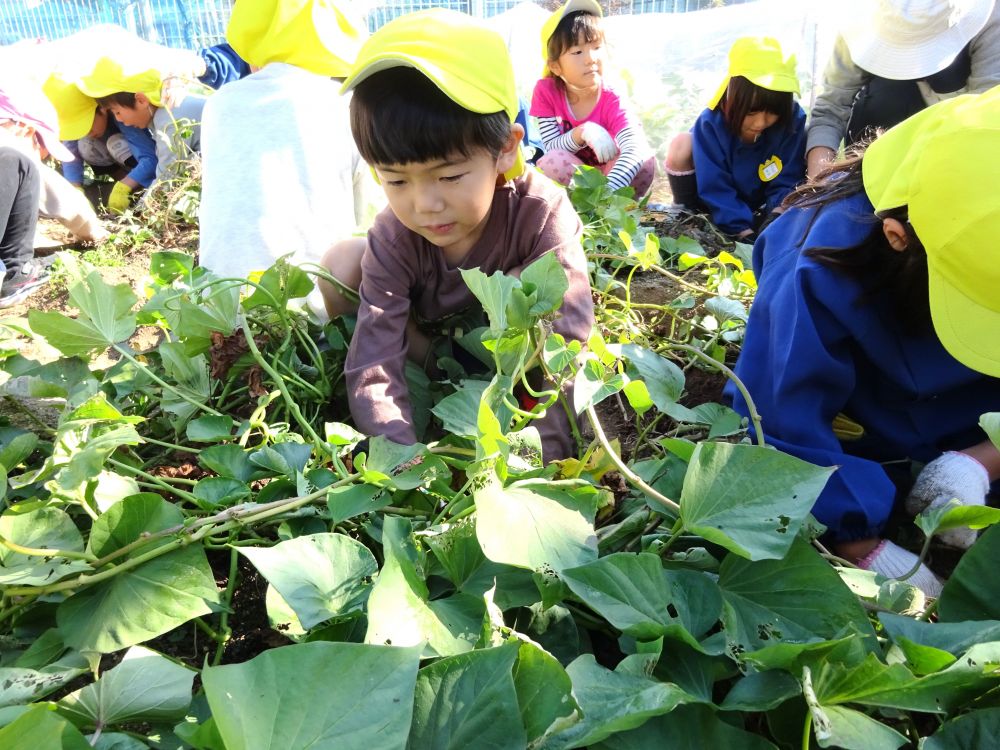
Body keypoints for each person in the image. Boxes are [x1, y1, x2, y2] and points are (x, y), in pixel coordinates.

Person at [726, 88, 1000, 597]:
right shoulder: (813, 259)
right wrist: (860, 544)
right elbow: (779, 420)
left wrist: (982, 460)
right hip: (869, 417)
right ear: (899, 237)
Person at [321, 9, 596, 462]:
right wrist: (398, 459)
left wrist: (543, 458)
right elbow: (376, 358)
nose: (424, 204)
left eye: (448, 176)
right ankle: (439, 397)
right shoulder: (394, 233)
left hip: (513, 365)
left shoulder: (540, 213)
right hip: (431, 353)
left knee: (545, 295)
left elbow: (566, 341)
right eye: (396, 180)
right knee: (341, 264)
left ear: (505, 147)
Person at [199, 0, 379, 318]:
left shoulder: (217, 104)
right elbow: (370, 221)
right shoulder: (344, 105)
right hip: (313, 324)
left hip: (221, 314)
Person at [806, 0, 1000, 178]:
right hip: (883, 132)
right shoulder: (857, 26)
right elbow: (830, 109)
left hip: (955, 132)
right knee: (888, 94)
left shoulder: (990, 19)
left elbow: (985, 119)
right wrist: (818, 186)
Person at [664, 36, 805, 241]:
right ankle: (685, 212)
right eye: (751, 112)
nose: (760, 122)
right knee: (682, 143)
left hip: (759, 206)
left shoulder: (792, 121)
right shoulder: (711, 124)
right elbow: (714, 185)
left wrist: (778, 212)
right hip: (714, 206)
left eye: (773, 112)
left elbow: (789, 176)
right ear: (734, 95)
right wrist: (741, 231)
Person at [529, 0, 655, 196]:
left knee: (645, 161)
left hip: (613, 176)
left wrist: (606, 194)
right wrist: (581, 132)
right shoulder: (547, 91)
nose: (591, 58)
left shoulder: (611, 95)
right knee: (551, 161)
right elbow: (551, 146)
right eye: (577, 51)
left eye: (596, 47)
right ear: (555, 66)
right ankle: (574, 210)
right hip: (575, 176)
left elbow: (634, 148)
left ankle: (617, 211)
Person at [0, 82, 106, 306]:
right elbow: (65, 201)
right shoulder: (9, 146)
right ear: (26, 129)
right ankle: (17, 272)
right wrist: (95, 233)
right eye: (42, 151)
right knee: (19, 162)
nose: (41, 160)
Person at [77, 50, 207, 186]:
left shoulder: (168, 120)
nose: (119, 120)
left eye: (117, 112)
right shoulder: (161, 115)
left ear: (141, 100)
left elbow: (167, 177)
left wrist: (143, 205)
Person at [43, 70, 157, 214]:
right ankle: (126, 181)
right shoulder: (78, 114)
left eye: (87, 126)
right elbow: (70, 154)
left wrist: (124, 186)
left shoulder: (123, 116)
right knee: (86, 146)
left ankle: (139, 184)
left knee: (116, 144)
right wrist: (75, 190)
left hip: (146, 158)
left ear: (102, 110)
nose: (86, 134)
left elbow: (151, 157)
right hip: (124, 159)